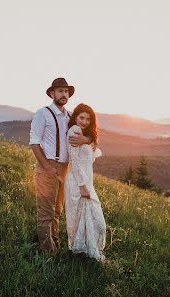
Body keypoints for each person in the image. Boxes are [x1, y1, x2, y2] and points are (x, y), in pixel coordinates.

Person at [29, 78, 92, 254]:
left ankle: (54, 241)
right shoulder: (43, 113)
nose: (64, 94)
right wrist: (48, 169)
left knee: (57, 210)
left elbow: (90, 136)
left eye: (66, 91)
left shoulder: (71, 116)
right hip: (47, 166)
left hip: (66, 169)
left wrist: (84, 139)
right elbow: (34, 143)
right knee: (46, 212)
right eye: (60, 91)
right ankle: (49, 253)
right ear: (52, 94)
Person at [64, 103, 106, 261]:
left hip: (86, 183)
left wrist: (87, 140)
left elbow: (94, 153)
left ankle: (85, 250)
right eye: (81, 117)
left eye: (88, 119)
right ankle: (81, 251)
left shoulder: (84, 135)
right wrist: (82, 186)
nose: (84, 121)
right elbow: (74, 161)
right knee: (84, 218)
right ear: (75, 117)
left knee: (90, 219)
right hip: (77, 183)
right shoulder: (74, 131)